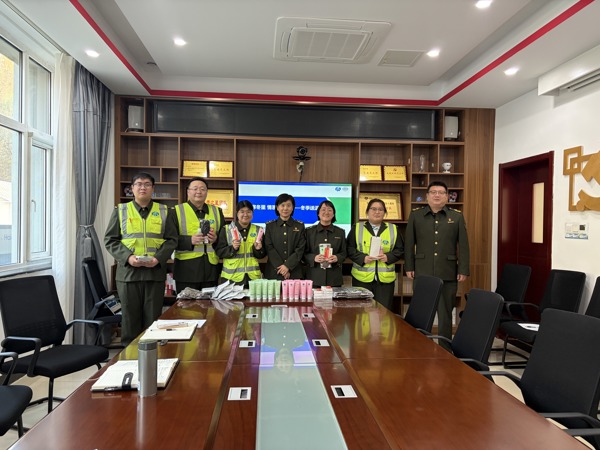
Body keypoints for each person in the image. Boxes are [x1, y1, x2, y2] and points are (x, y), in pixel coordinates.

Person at [104, 172, 178, 346]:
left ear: (153, 188)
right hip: (128, 274)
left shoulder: (164, 211)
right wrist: (128, 257)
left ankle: (152, 356)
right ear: (132, 188)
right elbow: (110, 240)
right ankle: (129, 357)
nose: (142, 187)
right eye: (138, 184)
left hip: (154, 273)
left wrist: (158, 258)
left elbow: (172, 240)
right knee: (130, 320)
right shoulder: (121, 210)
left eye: (147, 184)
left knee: (153, 320)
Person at [404, 180, 470, 347]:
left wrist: (463, 269)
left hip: (447, 271)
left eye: (441, 192)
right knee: (421, 312)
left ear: (447, 197)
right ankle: (419, 347)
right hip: (422, 271)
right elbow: (409, 243)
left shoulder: (456, 216)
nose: (437, 195)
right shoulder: (416, 215)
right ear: (427, 196)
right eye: (433, 192)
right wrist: (409, 266)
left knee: (445, 314)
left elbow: (463, 245)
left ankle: (445, 349)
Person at [347, 198, 404, 310]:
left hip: (385, 281)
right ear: (367, 211)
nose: (377, 212)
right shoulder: (357, 228)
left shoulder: (393, 229)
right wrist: (363, 258)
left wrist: (388, 257)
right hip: (362, 279)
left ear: (385, 212)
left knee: (383, 312)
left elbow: (400, 250)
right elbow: (349, 248)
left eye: (380, 209)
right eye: (373, 209)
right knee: (361, 312)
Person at [171, 177, 226, 293]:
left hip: (210, 270)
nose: (199, 192)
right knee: (186, 304)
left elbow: (224, 238)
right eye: (195, 188)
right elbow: (170, 239)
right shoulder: (176, 211)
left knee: (210, 304)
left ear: (207, 192)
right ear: (188, 191)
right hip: (186, 271)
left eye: (202, 189)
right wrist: (189, 240)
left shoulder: (217, 211)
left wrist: (216, 238)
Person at [215, 200, 266, 287]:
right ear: (237, 213)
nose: (245, 215)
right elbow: (219, 252)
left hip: (253, 278)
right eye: (242, 212)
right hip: (231, 278)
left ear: (252, 213)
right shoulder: (226, 229)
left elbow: (262, 254)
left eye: (248, 212)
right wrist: (233, 248)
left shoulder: (259, 230)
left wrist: (258, 249)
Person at [304, 200, 347, 287]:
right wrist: (314, 258)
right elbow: (303, 253)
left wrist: (337, 258)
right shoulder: (309, 232)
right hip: (314, 278)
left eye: (329, 210)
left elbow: (344, 252)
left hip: (334, 278)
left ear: (333, 214)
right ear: (318, 213)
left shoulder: (340, 232)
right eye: (323, 209)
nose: (326, 212)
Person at [264, 193, 306, 280]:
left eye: (288, 205)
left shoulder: (300, 226)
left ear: (293, 207)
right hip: (274, 272)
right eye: (282, 205)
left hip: (294, 272)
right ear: (277, 207)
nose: (285, 208)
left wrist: (287, 266)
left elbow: (300, 248)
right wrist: (282, 268)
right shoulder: (270, 226)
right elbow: (269, 248)